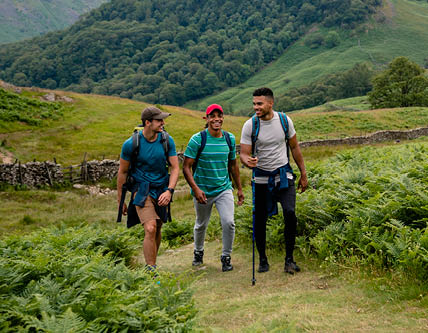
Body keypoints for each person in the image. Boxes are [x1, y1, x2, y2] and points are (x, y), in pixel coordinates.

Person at [240, 87, 308, 274]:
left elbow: (294, 148)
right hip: (261, 177)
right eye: (254, 104)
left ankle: (289, 260)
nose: (256, 107)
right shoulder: (250, 125)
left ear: (271, 103)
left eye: (259, 104)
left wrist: (303, 173)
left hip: (283, 175)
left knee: (290, 212)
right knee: (260, 219)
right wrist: (249, 161)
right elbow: (244, 154)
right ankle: (262, 259)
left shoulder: (285, 121)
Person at [183, 104, 244, 272]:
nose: (217, 119)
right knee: (201, 224)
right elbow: (186, 167)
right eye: (213, 116)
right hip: (202, 190)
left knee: (229, 222)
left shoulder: (229, 139)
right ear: (207, 118)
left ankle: (226, 257)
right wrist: (195, 189)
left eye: (220, 115)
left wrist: (239, 189)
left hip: (223, 188)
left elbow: (233, 165)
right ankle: (198, 252)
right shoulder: (197, 139)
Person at [117, 106, 179, 271]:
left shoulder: (167, 140)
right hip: (141, 189)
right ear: (147, 122)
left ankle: (152, 263)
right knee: (150, 227)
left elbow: (175, 168)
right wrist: (120, 200)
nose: (163, 123)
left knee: (158, 227)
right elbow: (122, 172)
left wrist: (169, 191)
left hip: (162, 188)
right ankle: (151, 270)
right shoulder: (131, 144)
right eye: (159, 120)